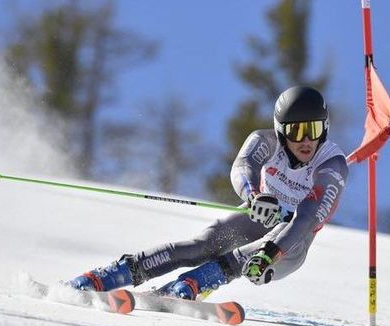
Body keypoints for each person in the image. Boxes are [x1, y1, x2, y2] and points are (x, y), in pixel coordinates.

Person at [67, 86, 349, 300]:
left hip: (291, 244)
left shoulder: (331, 164)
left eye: (312, 129)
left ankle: (192, 284)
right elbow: (242, 166)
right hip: (260, 218)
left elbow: (308, 217)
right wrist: (253, 196)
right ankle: (107, 276)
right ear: (280, 131)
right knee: (202, 244)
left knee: (253, 253)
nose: (306, 140)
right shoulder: (265, 142)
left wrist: (271, 253)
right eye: (296, 131)